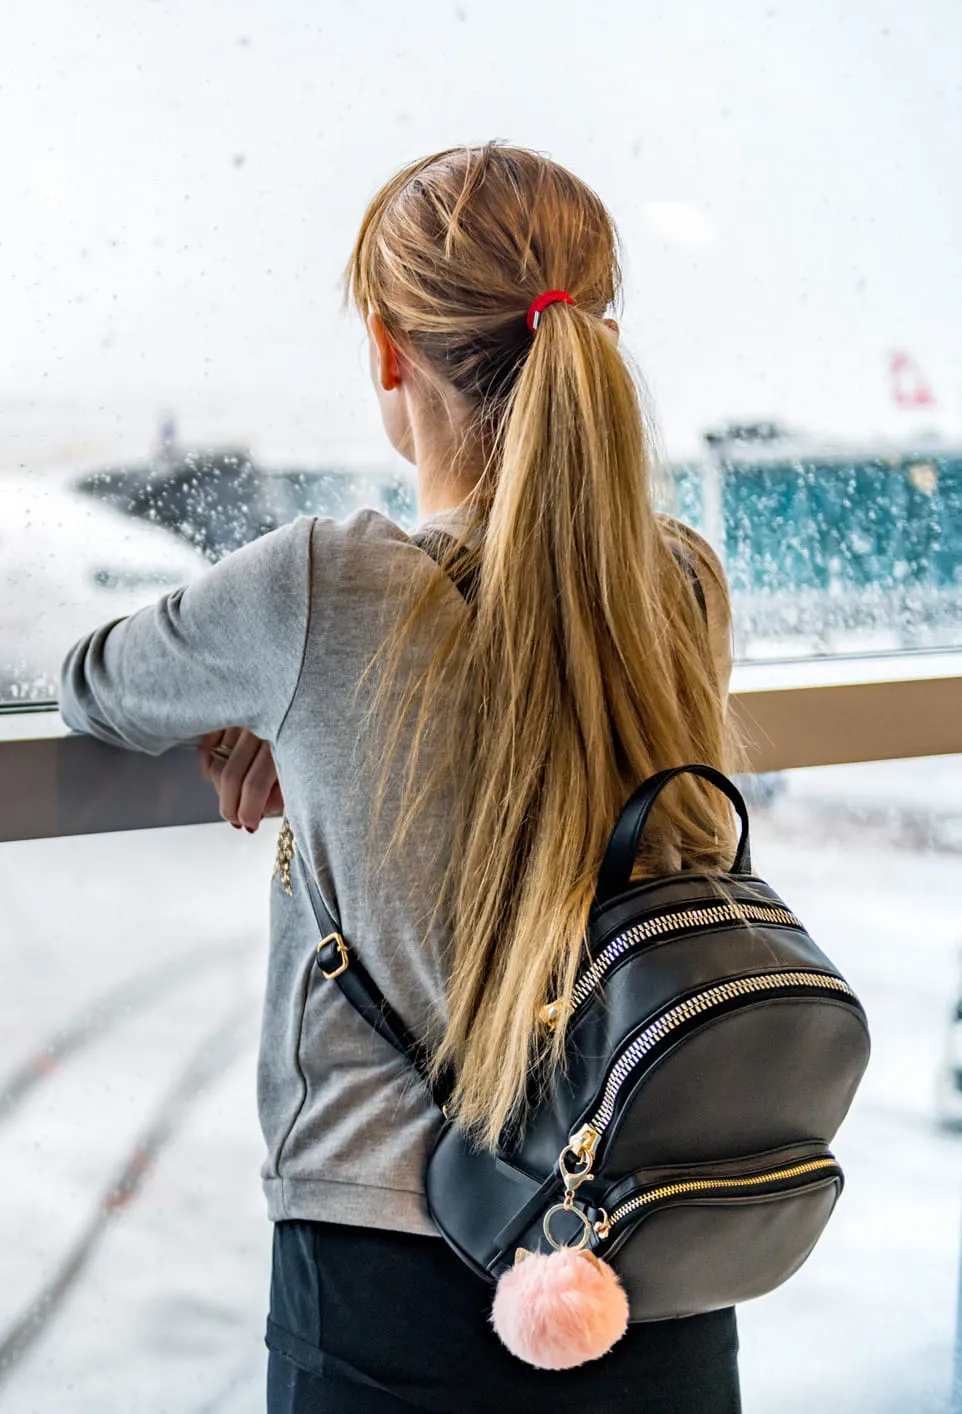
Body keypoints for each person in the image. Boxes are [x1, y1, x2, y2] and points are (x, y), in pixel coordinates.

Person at [60, 143, 740, 1412]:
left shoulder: (323, 585)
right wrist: (311, 720)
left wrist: (284, 707)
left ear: (388, 351)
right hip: (654, 1238)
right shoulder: (683, 582)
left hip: (384, 1267)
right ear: (595, 340)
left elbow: (94, 683)